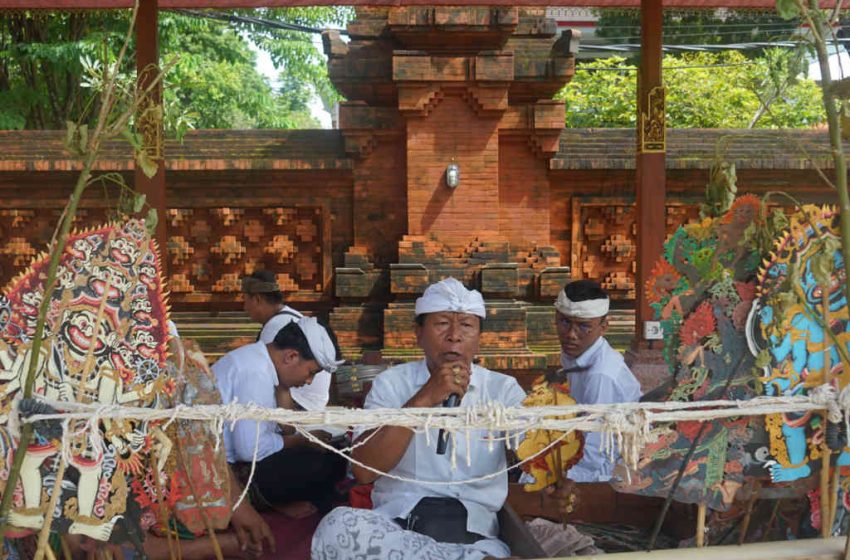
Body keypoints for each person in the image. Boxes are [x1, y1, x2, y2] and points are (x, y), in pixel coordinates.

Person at [313, 278, 573, 559]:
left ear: (479, 337)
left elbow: (534, 450)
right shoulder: (391, 384)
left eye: (466, 325)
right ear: (419, 334)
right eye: (442, 324)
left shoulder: (502, 390)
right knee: (336, 526)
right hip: (396, 531)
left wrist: (553, 477)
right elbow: (364, 471)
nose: (454, 336)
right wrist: (425, 398)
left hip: (473, 537)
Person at [212, 318, 346, 520]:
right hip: (225, 470)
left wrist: (283, 390)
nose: (309, 381)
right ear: (291, 356)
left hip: (242, 461)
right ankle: (266, 503)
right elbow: (250, 450)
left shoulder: (262, 364)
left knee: (335, 456)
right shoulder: (254, 372)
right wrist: (303, 441)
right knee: (322, 465)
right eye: (311, 373)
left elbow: (286, 428)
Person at [554, 279, 642, 483]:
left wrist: (558, 478)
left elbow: (594, 451)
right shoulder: (576, 352)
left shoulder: (601, 375)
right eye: (565, 322)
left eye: (584, 327)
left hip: (612, 467)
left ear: (604, 327)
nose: (571, 335)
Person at [241, 270, 331, 411]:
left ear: (257, 299)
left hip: (300, 403)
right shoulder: (290, 316)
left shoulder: (277, 325)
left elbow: (265, 376)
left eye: (245, 300)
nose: (244, 307)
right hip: (310, 403)